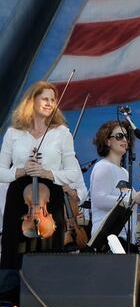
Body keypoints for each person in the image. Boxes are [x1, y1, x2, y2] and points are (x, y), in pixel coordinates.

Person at [0, 81, 83, 268]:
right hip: (19, 197)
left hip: (50, 196)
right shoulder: (13, 133)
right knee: (15, 249)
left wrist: (47, 172)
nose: (49, 103)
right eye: (44, 98)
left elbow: (71, 173)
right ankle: (11, 292)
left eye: (53, 100)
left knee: (48, 252)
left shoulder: (62, 133)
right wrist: (21, 170)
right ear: (32, 101)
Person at [89, 120, 140, 248]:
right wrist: (133, 199)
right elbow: (99, 199)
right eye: (119, 136)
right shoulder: (103, 167)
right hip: (108, 240)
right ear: (107, 141)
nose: (124, 140)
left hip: (124, 238)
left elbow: (125, 197)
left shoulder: (123, 172)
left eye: (126, 136)